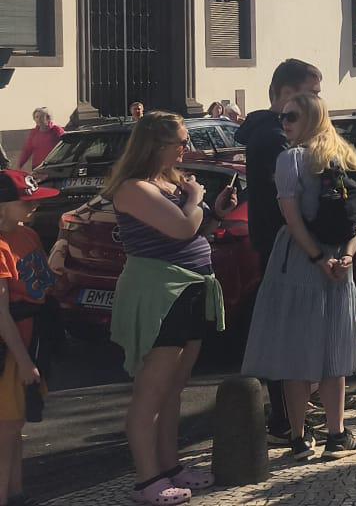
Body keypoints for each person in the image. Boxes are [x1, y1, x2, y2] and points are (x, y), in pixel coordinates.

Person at [239, 93, 356, 461]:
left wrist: (315, 258)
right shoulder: (349, 157)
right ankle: (336, 435)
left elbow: (291, 219)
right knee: (333, 350)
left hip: (298, 260)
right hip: (340, 261)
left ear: (310, 118)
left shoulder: (290, 159)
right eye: (283, 117)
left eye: (291, 117)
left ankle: (299, 439)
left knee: (295, 351)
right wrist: (344, 257)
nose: (284, 123)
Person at [108, 113, 221, 506]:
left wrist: (213, 210)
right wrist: (195, 200)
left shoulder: (169, 182)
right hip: (160, 293)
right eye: (181, 142)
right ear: (155, 145)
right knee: (151, 391)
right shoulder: (133, 187)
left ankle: (171, 465)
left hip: (190, 288)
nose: (186, 150)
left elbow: (194, 230)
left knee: (175, 388)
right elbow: (180, 228)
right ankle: (147, 479)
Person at [236, 58, 321, 443]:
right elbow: (293, 195)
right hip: (283, 242)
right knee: (287, 329)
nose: (318, 101)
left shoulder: (271, 132)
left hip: (280, 239)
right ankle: (285, 418)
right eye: (312, 93)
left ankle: (293, 410)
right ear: (287, 94)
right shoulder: (275, 138)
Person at [0, 170, 55, 505]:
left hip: (33, 340)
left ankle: (17, 491)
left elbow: (43, 283)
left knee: (15, 424)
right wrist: (21, 360)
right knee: (5, 427)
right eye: (26, 201)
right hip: (9, 350)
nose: (33, 207)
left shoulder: (29, 234)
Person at [16, 108, 63, 172]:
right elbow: (27, 150)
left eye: (41, 117)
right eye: (36, 117)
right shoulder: (34, 132)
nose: (38, 119)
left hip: (53, 166)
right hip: (37, 167)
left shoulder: (57, 130)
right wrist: (19, 165)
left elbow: (64, 146)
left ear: (48, 118)